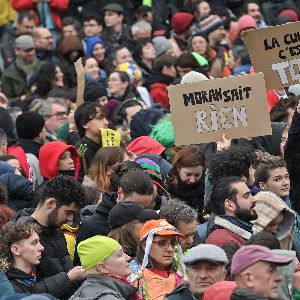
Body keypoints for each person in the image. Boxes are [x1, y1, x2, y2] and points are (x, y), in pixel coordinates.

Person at [13, 175, 87, 299]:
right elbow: (25, 291)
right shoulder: (21, 235)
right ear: (50, 203)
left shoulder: (56, 229)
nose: (70, 219)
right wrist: (68, 278)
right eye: (68, 212)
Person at [74, 164, 155, 265]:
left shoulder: (149, 223)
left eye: (146, 207)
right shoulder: (92, 227)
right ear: (120, 193)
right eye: (135, 205)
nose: (141, 211)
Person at [0, 221, 70, 298]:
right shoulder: (10, 289)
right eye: (34, 243)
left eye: (39, 242)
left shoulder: (36, 273)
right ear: (16, 250)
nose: (42, 248)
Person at [129, 219, 184, 300]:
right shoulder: (133, 276)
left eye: (172, 243)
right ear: (145, 245)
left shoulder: (178, 275)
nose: (170, 249)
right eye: (162, 243)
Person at [70, 235, 137, 300]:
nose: (128, 258)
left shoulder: (87, 288)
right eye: (120, 255)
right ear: (102, 267)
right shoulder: (108, 297)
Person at [206, 177, 257, 247]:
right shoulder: (221, 240)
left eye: (251, 194)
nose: (253, 199)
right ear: (229, 205)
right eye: (246, 196)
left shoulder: (245, 232)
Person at [1, 35, 42, 109]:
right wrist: (22, 98)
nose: (30, 53)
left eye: (32, 49)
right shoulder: (9, 75)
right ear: (17, 51)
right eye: (26, 50)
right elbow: (7, 101)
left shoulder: (43, 67)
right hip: (21, 109)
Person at [167, 145, 205, 219]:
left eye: (197, 175)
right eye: (188, 174)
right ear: (178, 168)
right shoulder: (168, 186)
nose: (192, 180)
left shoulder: (207, 184)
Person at [74, 102, 109, 169]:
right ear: (85, 124)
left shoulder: (110, 141)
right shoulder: (81, 149)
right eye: (99, 118)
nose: (106, 122)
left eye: (105, 117)